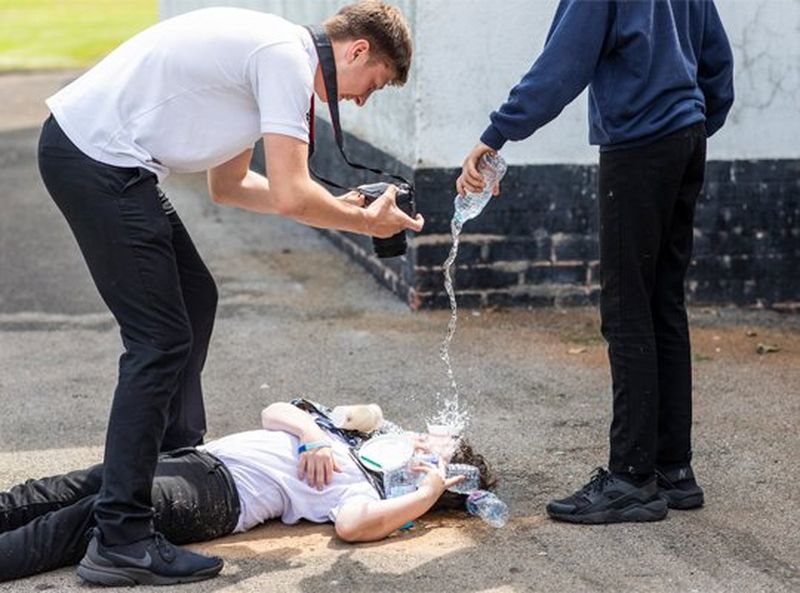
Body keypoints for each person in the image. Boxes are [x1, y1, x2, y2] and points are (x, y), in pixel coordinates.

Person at [36, 0, 423, 585]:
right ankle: (121, 537)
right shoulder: (286, 60)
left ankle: (171, 459)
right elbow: (294, 196)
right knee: (159, 342)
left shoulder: (274, 58)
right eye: (373, 85)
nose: (363, 100)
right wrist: (365, 223)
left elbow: (232, 185)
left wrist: (341, 209)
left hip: (108, 162)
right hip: (100, 161)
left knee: (196, 296)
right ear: (358, 50)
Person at [457, 0, 733, 524]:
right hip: (685, 137)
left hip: (639, 143)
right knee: (662, 305)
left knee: (628, 309)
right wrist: (691, 123)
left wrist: (496, 133)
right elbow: (717, 62)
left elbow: (564, 62)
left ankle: (631, 478)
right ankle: (673, 470)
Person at [0, 400, 495, 584]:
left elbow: (353, 527)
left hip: (217, 495)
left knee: (86, 516)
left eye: (434, 449)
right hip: (195, 458)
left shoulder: (361, 489)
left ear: (431, 476)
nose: (422, 437)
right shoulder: (349, 439)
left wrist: (425, 496)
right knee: (61, 488)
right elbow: (274, 411)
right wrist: (314, 435)